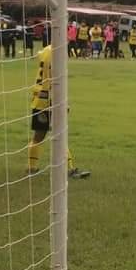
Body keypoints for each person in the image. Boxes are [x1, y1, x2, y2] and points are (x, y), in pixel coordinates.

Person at [27, 36, 90, 179]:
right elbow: (56, 80)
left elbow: (38, 58)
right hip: (52, 99)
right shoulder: (58, 54)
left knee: (39, 135)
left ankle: (31, 168)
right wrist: (63, 103)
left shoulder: (45, 51)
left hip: (39, 97)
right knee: (60, 134)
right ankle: (69, 169)